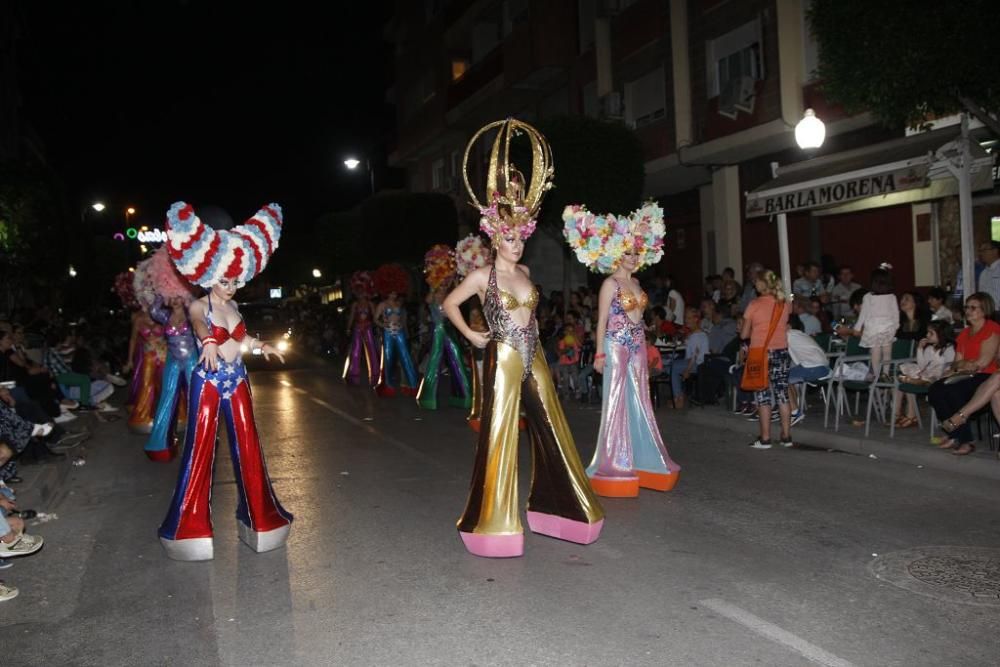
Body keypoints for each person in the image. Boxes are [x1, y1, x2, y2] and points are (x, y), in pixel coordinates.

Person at [443, 118, 603, 557]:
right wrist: (473, 337)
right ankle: (490, 522)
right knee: (499, 433)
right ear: (496, 236)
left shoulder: (527, 273)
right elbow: (448, 305)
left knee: (552, 422)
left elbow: (531, 315)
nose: (516, 244)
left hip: (533, 354)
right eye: (509, 237)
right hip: (503, 354)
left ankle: (564, 507)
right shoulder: (481, 275)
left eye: (520, 237)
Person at [157, 202, 293, 561]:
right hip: (210, 379)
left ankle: (260, 518)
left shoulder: (234, 308)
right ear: (207, 276)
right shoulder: (199, 305)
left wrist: (261, 345)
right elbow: (201, 325)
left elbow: (242, 341)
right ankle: (188, 527)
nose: (230, 287)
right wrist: (208, 341)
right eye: (224, 280)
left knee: (249, 446)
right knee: (200, 448)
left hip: (238, 379)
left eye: (234, 281)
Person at [564, 201, 680, 495]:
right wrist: (600, 353)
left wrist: (646, 333)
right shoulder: (609, 284)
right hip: (615, 344)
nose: (631, 257)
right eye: (626, 252)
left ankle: (645, 460)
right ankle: (614, 463)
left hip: (638, 343)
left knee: (641, 399)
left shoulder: (638, 283)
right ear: (617, 253)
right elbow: (600, 320)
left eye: (635, 252)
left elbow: (639, 316)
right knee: (615, 401)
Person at [928, 292, 1000, 456]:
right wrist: (962, 365)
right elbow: (956, 362)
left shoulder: (992, 328)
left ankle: (966, 441)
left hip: (986, 376)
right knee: (935, 390)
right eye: (966, 307)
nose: (968, 311)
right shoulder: (964, 333)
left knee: (954, 391)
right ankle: (954, 435)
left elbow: (983, 363)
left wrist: (965, 365)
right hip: (966, 374)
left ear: (984, 310)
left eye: (973, 308)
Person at [144, 248, 198, 462]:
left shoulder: (193, 314)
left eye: (178, 296)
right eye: (172, 296)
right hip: (174, 360)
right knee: (166, 397)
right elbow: (153, 310)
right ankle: (159, 444)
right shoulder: (163, 315)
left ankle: (201, 439)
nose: (175, 300)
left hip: (193, 360)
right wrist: (160, 283)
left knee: (197, 399)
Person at [742, 270, 793, 449]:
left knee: (763, 396)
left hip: (760, 354)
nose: (754, 284)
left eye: (756, 281)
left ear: (762, 284)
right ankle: (786, 436)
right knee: (782, 394)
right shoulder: (784, 304)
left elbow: (744, 334)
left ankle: (765, 438)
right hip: (781, 352)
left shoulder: (754, 304)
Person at [416, 246, 472, 410]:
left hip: (449, 329)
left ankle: (462, 396)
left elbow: (458, 293)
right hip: (438, 330)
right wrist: (434, 285)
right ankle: (427, 397)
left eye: (444, 282)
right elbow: (427, 301)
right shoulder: (432, 294)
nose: (443, 284)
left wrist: (454, 278)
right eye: (441, 282)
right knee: (434, 360)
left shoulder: (450, 294)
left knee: (457, 359)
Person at [836, 266, 899, 380]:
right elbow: (895, 313)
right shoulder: (892, 297)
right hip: (887, 327)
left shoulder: (868, 297)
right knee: (887, 352)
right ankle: (885, 373)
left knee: (875, 352)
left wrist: (857, 328)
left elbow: (863, 315)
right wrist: (895, 326)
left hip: (873, 328)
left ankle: (876, 374)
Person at [894, 321, 955, 428]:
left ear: (941, 334)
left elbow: (949, 366)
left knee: (930, 377)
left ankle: (914, 381)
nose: (927, 335)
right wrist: (920, 349)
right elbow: (922, 365)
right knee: (910, 368)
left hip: (940, 375)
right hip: (927, 372)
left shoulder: (949, 348)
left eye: (931, 333)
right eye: (927, 333)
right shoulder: (930, 348)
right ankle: (913, 381)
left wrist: (939, 373)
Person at [373, 264, 420, 398]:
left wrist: (402, 328)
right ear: (386, 291)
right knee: (388, 358)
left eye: (395, 292)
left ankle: (413, 385)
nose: (394, 294)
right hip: (388, 333)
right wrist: (384, 325)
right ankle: (387, 386)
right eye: (391, 292)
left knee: (406, 357)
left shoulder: (398, 304)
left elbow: (401, 318)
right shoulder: (382, 305)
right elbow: (375, 319)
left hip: (399, 333)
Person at [786, 315, 831, 425]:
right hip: (821, 368)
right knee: (787, 376)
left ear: (787, 325)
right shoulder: (800, 334)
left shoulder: (788, 334)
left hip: (814, 369)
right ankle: (792, 409)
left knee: (781, 378)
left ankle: (795, 412)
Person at [342, 271, 381, 388]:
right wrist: (348, 329)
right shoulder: (355, 304)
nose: (361, 293)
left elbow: (375, 317)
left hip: (368, 328)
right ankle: (353, 376)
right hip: (357, 328)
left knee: (372, 351)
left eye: (363, 291)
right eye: (359, 291)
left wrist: (379, 326)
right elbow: (351, 317)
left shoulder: (370, 304)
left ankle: (375, 376)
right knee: (355, 351)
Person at [669, 307, 708, 410]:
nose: (686, 320)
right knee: (673, 364)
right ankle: (678, 395)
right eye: (686, 318)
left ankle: (678, 397)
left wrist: (688, 370)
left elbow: (695, 355)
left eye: (689, 318)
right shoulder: (694, 334)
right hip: (695, 362)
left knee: (674, 366)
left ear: (696, 319)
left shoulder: (698, 335)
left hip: (698, 364)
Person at [976, 241, 1000, 313]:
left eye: (984, 250)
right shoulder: (983, 273)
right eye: (980, 251)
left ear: (995, 251)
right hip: (986, 312)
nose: (981, 253)